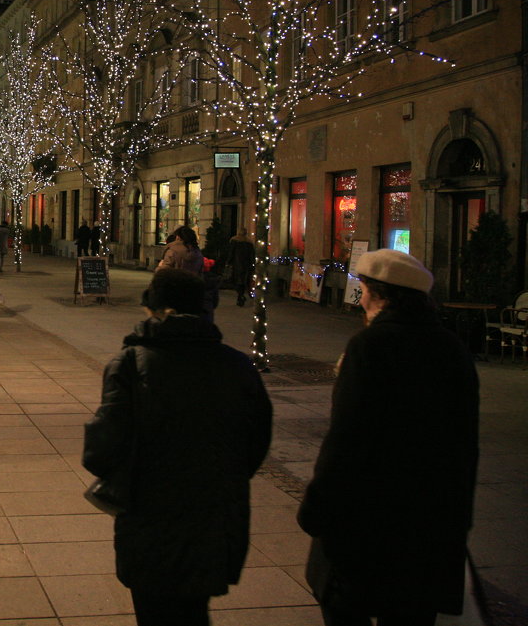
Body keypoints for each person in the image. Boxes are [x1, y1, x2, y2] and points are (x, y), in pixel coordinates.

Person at [297, 249, 479, 626]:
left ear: (378, 294)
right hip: (431, 521)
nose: (359, 297)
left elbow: (348, 437)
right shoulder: (450, 347)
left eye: (362, 289)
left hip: (368, 523)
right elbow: (464, 443)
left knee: (345, 605)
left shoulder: (370, 346)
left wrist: (318, 506)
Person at [83, 268, 272, 626]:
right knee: (195, 610)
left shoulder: (130, 363)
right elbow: (256, 440)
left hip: (150, 513)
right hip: (214, 513)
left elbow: (101, 449)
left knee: (154, 609)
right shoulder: (237, 365)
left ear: (158, 310)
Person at [227, 229, 256, 307]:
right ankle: (241, 296)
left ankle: (240, 296)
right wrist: (252, 265)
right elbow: (252, 255)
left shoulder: (234, 241)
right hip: (246, 265)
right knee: (243, 281)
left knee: (238, 281)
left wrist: (228, 262)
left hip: (237, 265)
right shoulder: (249, 242)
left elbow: (231, 253)